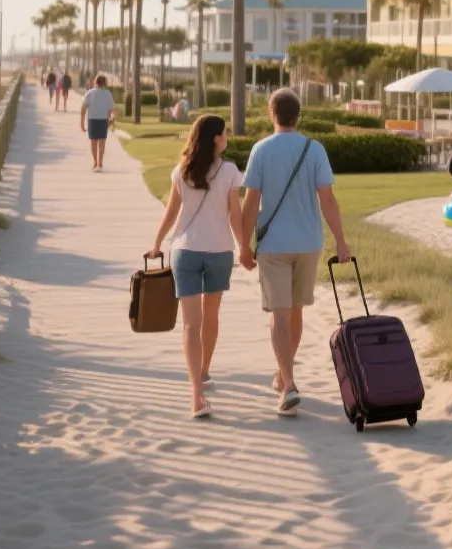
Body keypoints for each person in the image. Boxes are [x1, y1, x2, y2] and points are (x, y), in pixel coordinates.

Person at [238, 88, 351, 417]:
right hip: (308, 243)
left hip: (274, 245)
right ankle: (284, 375)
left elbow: (250, 203)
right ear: (298, 116)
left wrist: (244, 245)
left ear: (272, 113)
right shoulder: (314, 149)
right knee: (296, 311)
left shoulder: (261, 150)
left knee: (279, 314)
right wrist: (341, 242)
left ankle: (288, 384)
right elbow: (327, 200)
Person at [148, 114, 246, 419]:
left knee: (191, 323)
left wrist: (156, 243)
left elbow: (172, 212)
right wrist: (245, 247)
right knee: (211, 316)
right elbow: (234, 214)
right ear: (216, 138)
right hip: (219, 251)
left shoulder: (182, 170)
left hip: (185, 250)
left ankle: (196, 395)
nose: (227, 136)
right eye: (225, 132)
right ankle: (203, 372)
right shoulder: (230, 171)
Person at [80, 75, 116, 172]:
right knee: (102, 143)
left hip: (92, 120)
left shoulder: (89, 93)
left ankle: (95, 161)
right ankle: (100, 161)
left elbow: (83, 109)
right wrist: (112, 119)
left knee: (93, 142)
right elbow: (112, 110)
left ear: (95, 82)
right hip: (103, 120)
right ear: (105, 83)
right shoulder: (108, 94)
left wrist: (82, 124)